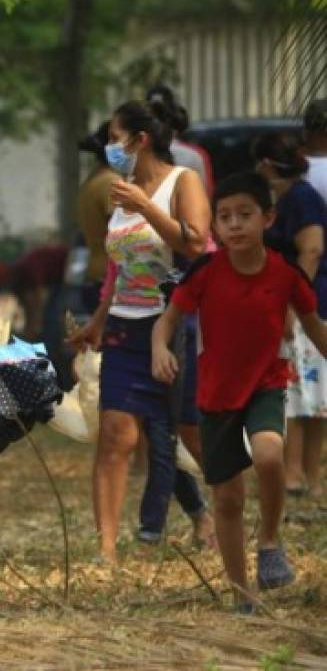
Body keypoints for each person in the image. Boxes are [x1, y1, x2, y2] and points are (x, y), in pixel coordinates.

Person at [152, 172, 327, 611]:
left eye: (244, 215)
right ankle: (241, 593)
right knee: (227, 499)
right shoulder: (206, 273)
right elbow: (169, 319)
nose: (234, 225)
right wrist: (159, 348)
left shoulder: (285, 274)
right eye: (224, 217)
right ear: (214, 227)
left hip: (267, 384)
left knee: (270, 454)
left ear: (267, 218)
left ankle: (269, 540)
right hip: (215, 395)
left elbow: (314, 328)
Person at [69, 99, 212, 562]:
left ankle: (222, 514)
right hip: (124, 329)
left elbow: (194, 244)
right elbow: (118, 264)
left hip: (176, 325)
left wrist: (147, 207)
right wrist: (97, 319)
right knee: (116, 435)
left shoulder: (181, 182)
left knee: (186, 433)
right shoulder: (123, 189)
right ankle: (106, 548)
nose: (109, 147)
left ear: (140, 139)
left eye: (114, 138)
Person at [254, 132, 327, 498]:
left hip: (305, 307)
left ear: (267, 165)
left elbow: (311, 250)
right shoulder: (284, 199)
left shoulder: (301, 199)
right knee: (305, 393)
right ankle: (303, 475)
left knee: (300, 392)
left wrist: (291, 304)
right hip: (298, 303)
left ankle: (298, 473)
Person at [76, 121, 119, 312]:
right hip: (109, 279)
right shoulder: (112, 183)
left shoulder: (92, 181)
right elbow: (121, 233)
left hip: (94, 272)